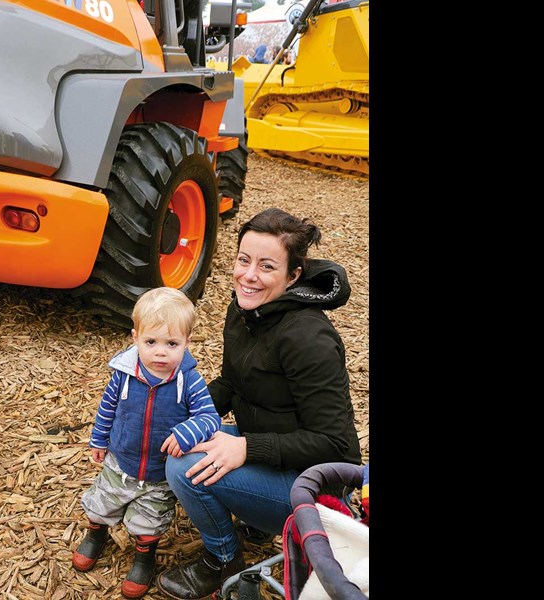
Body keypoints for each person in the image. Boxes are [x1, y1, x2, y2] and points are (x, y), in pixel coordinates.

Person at [155, 207, 362, 600]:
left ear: (293, 275)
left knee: (182, 466)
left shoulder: (307, 338)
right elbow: (232, 384)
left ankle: (223, 560)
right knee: (177, 438)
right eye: (243, 260)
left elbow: (338, 446)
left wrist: (245, 447)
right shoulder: (246, 309)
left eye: (267, 266)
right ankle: (256, 519)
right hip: (272, 451)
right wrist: (171, 411)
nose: (248, 276)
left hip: (315, 490)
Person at [72, 287, 222, 599]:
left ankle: (144, 557)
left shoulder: (188, 380)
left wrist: (187, 432)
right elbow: (108, 407)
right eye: (150, 342)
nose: (160, 352)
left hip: (158, 471)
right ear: (135, 337)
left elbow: (210, 418)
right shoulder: (124, 374)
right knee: (102, 502)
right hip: (121, 460)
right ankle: (96, 534)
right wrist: (99, 439)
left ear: (187, 343)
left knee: (149, 519)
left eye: (172, 343)